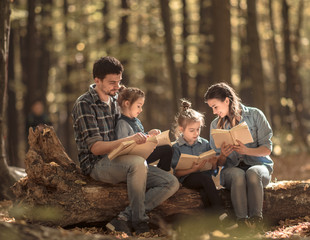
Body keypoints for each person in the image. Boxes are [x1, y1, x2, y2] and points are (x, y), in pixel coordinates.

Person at [71, 56, 179, 236]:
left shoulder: (115, 100)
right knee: (137, 164)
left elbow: (131, 107)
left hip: (122, 160)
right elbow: (96, 148)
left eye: (119, 81)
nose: (117, 86)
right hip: (97, 164)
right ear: (96, 80)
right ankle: (139, 221)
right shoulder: (84, 104)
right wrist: (130, 140)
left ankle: (123, 218)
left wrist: (146, 137)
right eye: (112, 82)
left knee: (170, 182)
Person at [204, 82, 274, 231]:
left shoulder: (255, 115)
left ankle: (256, 221)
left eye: (215, 107)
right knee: (238, 175)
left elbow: (267, 149)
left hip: (259, 166)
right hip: (232, 170)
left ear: (227, 101)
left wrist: (246, 151)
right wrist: (223, 155)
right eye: (212, 108)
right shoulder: (215, 125)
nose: (214, 112)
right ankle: (242, 223)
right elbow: (220, 163)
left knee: (252, 173)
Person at [171, 99, 237, 230]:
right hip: (187, 178)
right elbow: (176, 173)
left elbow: (212, 172)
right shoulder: (176, 147)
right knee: (203, 179)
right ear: (181, 129)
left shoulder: (205, 144)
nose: (196, 133)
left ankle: (212, 225)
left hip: (204, 181)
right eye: (191, 130)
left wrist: (213, 165)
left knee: (204, 192)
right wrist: (193, 169)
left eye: (198, 129)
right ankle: (222, 214)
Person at [115, 85, 172, 171]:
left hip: (143, 153)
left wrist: (149, 134)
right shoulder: (122, 124)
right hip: (134, 158)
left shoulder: (137, 121)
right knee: (167, 150)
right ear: (127, 103)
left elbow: (142, 136)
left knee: (169, 148)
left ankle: (162, 171)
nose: (141, 110)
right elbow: (122, 147)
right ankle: (162, 173)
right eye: (138, 106)